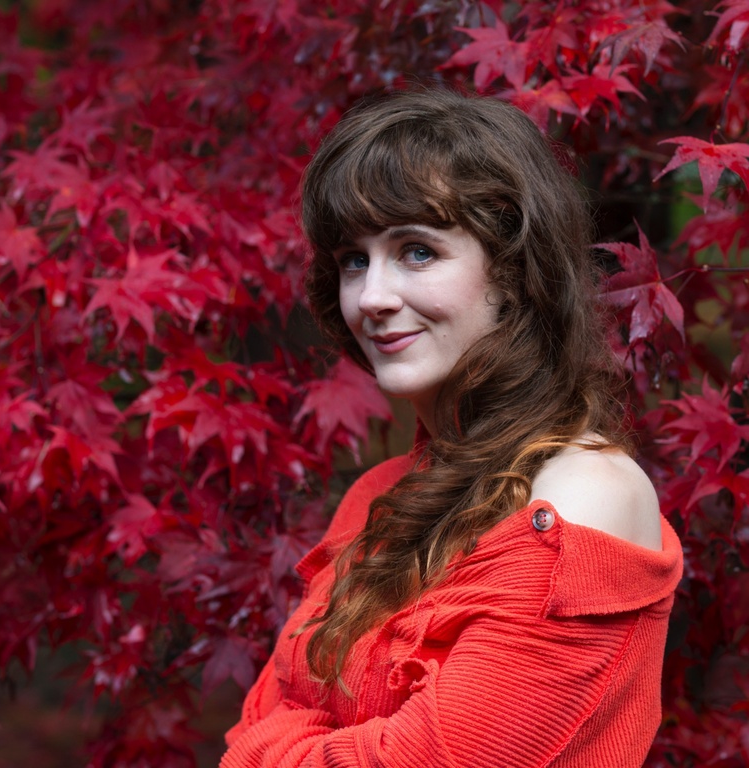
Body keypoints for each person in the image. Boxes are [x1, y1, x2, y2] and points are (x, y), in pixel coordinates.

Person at [219, 88, 683, 768]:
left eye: (417, 252)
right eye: (354, 259)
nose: (372, 297)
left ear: (513, 273)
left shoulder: (586, 498)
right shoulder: (378, 495)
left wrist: (287, 744)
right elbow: (251, 726)